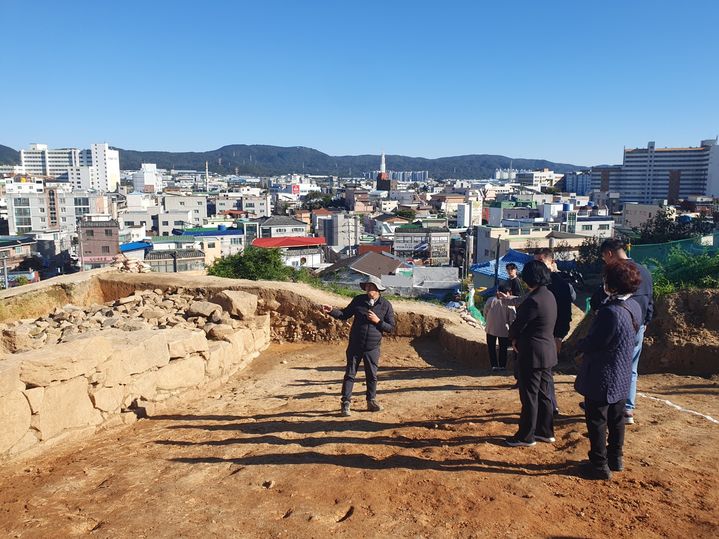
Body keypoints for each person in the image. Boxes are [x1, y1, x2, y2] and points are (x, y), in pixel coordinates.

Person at [575, 260, 643, 479]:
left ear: (612, 284)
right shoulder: (634, 306)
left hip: (603, 374)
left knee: (596, 420)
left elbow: (596, 341)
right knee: (617, 419)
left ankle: (598, 464)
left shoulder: (610, 312)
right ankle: (616, 458)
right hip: (622, 372)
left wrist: (580, 346)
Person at [589, 239, 654, 425]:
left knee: (610, 365)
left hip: (616, 324)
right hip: (639, 324)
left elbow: (601, 299)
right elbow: (650, 300)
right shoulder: (645, 271)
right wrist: (646, 321)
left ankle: (610, 404)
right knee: (631, 367)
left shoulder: (616, 273)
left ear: (609, 253)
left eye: (603, 257)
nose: (604, 261)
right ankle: (627, 409)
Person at [322, 275, 395, 417]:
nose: (368, 290)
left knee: (372, 375)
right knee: (350, 374)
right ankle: (345, 403)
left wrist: (377, 321)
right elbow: (344, 314)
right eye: (367, 287)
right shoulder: (358, 300)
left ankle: (371, 401)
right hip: (355, 344)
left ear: (378, 289)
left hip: (373, 347)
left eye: (371, 287)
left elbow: (391, 328)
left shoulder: (386, 305)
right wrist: (332, 310)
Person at [505, 260, 558, 447]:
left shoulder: (533, 300)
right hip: (547, 351)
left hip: (533, 353)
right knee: (544, 394)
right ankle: (546, 431)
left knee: (529, 396)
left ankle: (526, 436)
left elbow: (518, 325)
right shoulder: (549, 295)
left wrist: (513, 338)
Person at [534, 248, 575, 415]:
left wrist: (559, 335)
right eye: (535, 263)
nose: (538, 267)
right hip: (538, 335)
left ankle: (550, 406)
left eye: (541, 263)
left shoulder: (560, 285)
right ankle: (549, 406)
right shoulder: (537, 283)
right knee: (543, 373)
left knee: (545, 372)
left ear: (552, 263)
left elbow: (566, 313)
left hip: (551, 334)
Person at [483, 285, 516, 371]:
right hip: (504, 330)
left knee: (491, 347)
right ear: (508, 293)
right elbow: (512, 319)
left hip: (490, 328)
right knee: (503, 348)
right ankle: (502, 366)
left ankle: (494, 365)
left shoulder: (491, 300)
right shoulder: (510, 303)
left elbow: (485, 312)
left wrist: (488, 321)